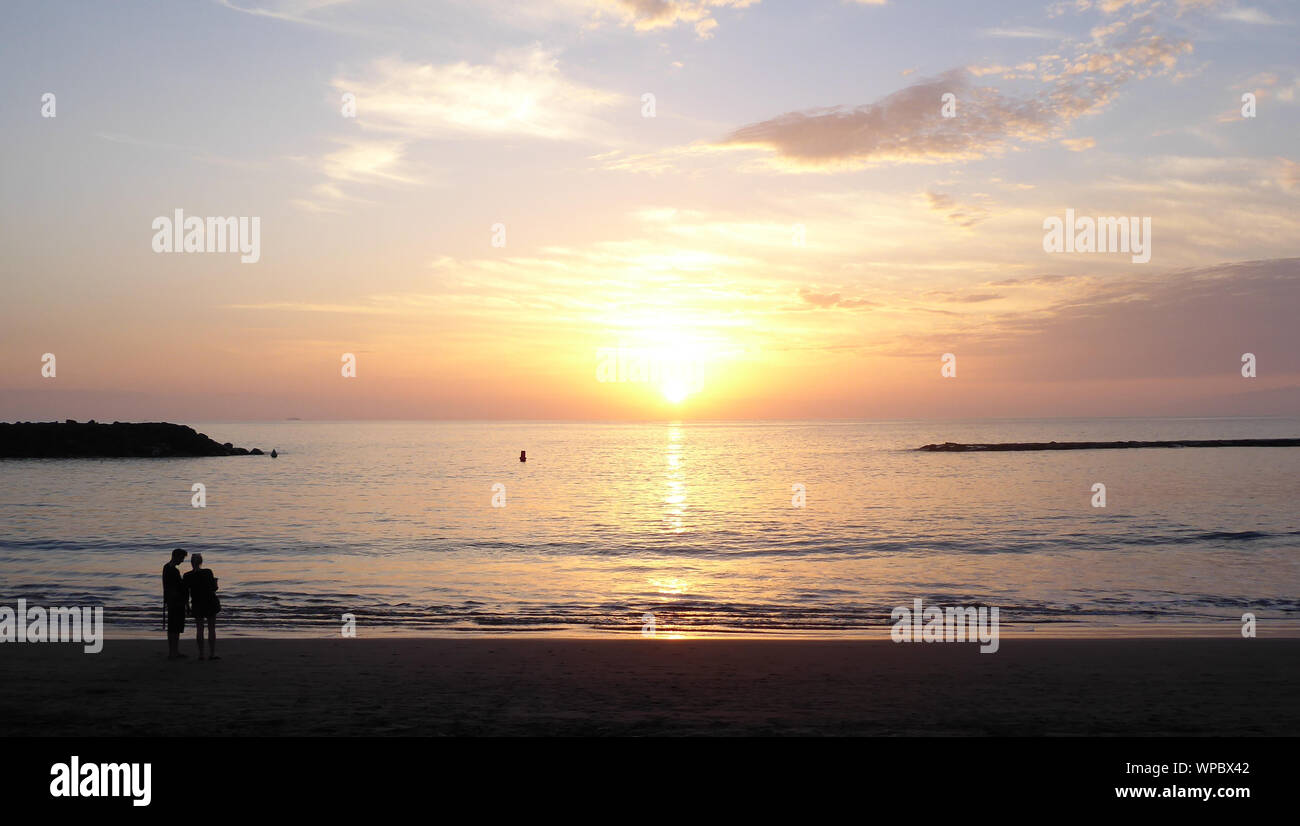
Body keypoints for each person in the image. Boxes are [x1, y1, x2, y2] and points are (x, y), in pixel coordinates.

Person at [183, 553, 221, 660]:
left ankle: (201, 654)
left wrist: (187, 607)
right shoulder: (208, 572)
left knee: (199, 629)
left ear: (191, 563)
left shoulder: (187, 576)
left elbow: (186, 593)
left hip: (197, 603)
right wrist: (216, 584)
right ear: (201, 562)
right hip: (210, 601)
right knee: (211, 628)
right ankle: (212, 653)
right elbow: (213, 588)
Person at [162, 548, 188, 660]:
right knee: (175, 627)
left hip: (171, 600)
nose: (182, 561)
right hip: (176, 601)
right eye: (181, 558)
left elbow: (167, 586)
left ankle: (173, 651)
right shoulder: (173, 570)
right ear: (176, 557)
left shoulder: (166, 567)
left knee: (172, 627)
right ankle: (174, 652)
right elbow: (179, 587)